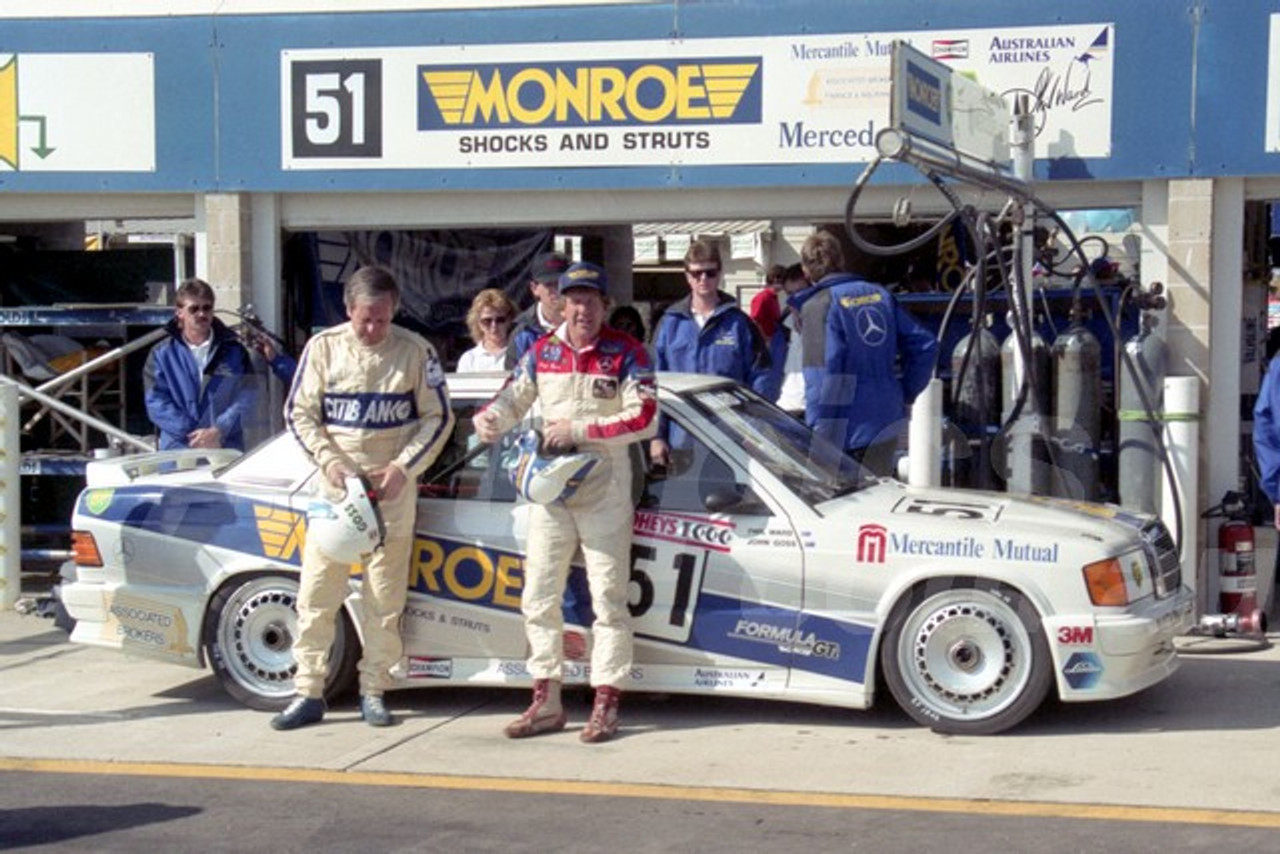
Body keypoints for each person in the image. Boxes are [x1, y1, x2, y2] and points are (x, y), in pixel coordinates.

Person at [474, 261, 657, 744]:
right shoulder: (542, 351)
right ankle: (546, 699)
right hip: (551, 491)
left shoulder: (627, 352)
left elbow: (646, 418)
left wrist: (580, 430)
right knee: (538, 595)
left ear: (605, 306)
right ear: (560, 302)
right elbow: (512, 398)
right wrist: (491, 418)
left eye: (591, 301)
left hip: (605, 491)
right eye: (574, 300)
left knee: (609, 600)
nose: (582, 309)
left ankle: (606, 701)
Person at [272, 266, 454, 731]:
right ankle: (308, 690)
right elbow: (299, 413)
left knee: (384, 598)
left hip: (390, 492)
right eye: (364, 319)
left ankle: (375, 689)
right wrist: (330, 462)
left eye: (382, 319)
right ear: (348, 310)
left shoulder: (417, 351)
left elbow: (439, 417)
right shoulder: (323, 348)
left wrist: (404, 468)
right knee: (316, 594)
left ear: (394, 310)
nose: (373, 329)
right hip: (335, 493)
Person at [790, 231, 937, 476]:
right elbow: (925, 344)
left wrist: (818, 439)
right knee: (878, 503)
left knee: (846, 510)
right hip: (885, 421)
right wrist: (903, 391)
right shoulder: (879, 294)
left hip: (844, 432)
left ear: (806, 271)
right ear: (840, 260)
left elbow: (822, 376)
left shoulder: (818, 306)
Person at [649, 239, 770, 467]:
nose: (703, 279)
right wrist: (656, 436)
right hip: (681, 440)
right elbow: (651, 384)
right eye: (696, 274)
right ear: (686, 276)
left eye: (710, 272)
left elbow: (762, 377)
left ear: (720, 273)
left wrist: (754, 429)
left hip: (731, 440)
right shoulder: (669, 324)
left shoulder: (740, 324)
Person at [144, 278, 256, 451]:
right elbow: (156, 402)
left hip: (224, 448)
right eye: (194, 309)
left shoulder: (234, 351)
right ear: (179, 312)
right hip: (178, 451)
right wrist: (193, 434)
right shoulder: (161, 354)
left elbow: (249, 395)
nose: (201, 314)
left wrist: (219, 429)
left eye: (207, 308)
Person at [506, 250, 570, 369]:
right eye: (549, 284)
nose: (557, 290)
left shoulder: (583, 323)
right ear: (534, 288)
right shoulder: (522, 332)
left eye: (561, 283)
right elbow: (513, 380)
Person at [773, 263, 809, 417]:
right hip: (786, 410)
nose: (795, 300)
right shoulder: (783, 328)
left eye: (801, 293)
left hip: (814, 411)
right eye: (790, 294)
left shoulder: (829, 325)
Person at [458, 288, 518, 373]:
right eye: (487, 321)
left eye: (500, 320)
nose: (494, 326)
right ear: (478, 323)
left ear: (509, 320)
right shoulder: (468, 359)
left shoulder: (521, 354)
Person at [749, 263, 787, 340]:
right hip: (765, 343)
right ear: (776, 279)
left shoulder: (773, 297)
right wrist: (765, 340)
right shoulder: (763, 297)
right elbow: (755, 321)